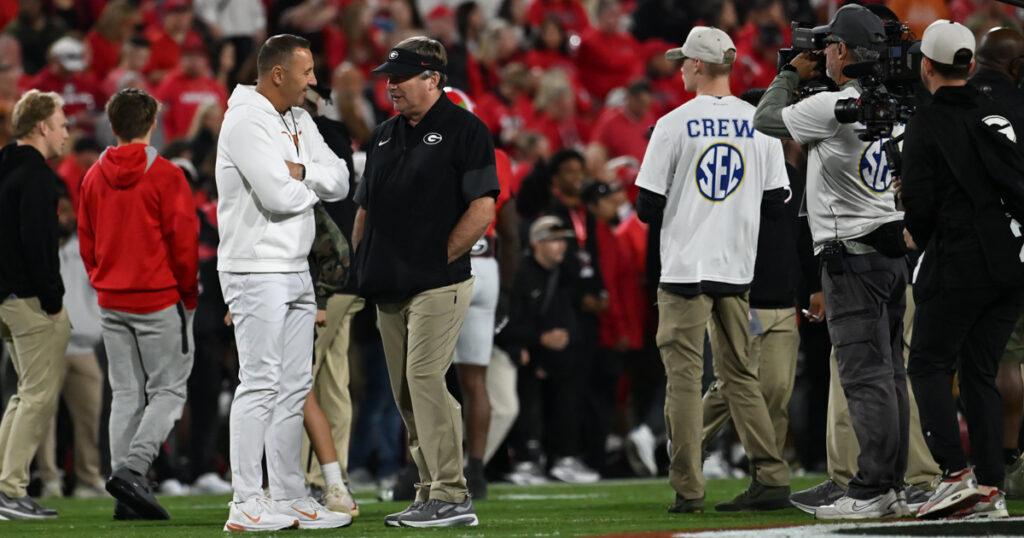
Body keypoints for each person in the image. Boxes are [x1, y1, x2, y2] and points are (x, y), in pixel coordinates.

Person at [753, 4, 911, 519]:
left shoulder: (831, 105)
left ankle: (872, 488)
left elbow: (765, 118)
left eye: (827, 48)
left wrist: (788, 74)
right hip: (891, 256)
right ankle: (893, 484)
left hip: (852, 260)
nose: (821, 55)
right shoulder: (894, 102)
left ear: (842, 50)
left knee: (865, 379)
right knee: (892, 376)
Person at [635, 26, 791, 514]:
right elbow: (777, 200)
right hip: (736, 267)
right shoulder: (761, 123)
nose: (680, 67)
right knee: (740, 376)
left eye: (684, 60)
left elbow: (646, 206)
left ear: (699, 65)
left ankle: (689, 488)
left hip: (685, 267)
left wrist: (691, 207)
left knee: (684, 380)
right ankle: (771, 475)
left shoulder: (673, 123)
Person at [353, 36, 498, 528]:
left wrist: (439, 259)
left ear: (432, 79)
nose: (391, 86)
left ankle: (452, 494)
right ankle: (428, 490)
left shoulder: (466, 130)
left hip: (438, 282)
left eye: (401, 77)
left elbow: (483, 208)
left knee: (424, 379)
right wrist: (361, 262)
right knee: (405, 390)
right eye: (388, 78)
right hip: (388, 283)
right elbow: (366, 208)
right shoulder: (382, 135)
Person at [216, 34, 349, 532]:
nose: (313, 80)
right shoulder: (244, 120)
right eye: (306, 71)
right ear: (278, 74)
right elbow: (276, 196)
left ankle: (289, 496)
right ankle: (246, 502)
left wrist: (301, 173)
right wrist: (311, 182)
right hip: (256, 267)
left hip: (295, 267)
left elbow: (342, 180)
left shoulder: (298, 118)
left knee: (294, 386)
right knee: (260, 382)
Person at [902, 20, 1024, 520]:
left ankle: (955, 476)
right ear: (970, 65)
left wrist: (917, 232)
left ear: (925, 66)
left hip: (961, 259)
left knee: (928, 364)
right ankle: (991, 485)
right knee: (980, 371)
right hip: (1012, 263)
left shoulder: (927, 121)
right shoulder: (999, 111)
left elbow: (920, 209)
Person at [77, 88, 198, 520]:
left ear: (112, 126)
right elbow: (184, 243)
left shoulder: (93, 176)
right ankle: (133, 470)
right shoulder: (167, 175)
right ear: (153, 125)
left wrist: (103, 279)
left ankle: (124, 492)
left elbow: (87, 242)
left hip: (112, 300)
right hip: (158, 299)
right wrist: (188, 294)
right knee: (168, 390)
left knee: (126, 394)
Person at [0, 89, 71, 520]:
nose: (66, 133)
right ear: (42, 126)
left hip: (4, 299)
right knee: (37, 398)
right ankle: (9, 491)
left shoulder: (4, 166)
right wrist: (53, 300)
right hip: (29, 300)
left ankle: (3, 486)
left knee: (23, 395)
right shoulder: (37, 176)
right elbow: (39, 245)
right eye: (61, 125)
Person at [967, 26, 1024, 498]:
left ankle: (986, 460)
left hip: (971, 248)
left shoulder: (953, 100)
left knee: (982, 360)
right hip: (1021, 242)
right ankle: (1010, 459)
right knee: (1010, 359)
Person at [37, 187, 106, 501]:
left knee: (90, 417)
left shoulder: (85, 247)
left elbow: (99, 288)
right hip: (46, 346)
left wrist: (96, 326)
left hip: (83, 347)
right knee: (42, 418)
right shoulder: (34, 247)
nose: (65, 217)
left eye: (67, 211)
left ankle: (88, 479)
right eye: (59, 211)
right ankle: (49, 480)